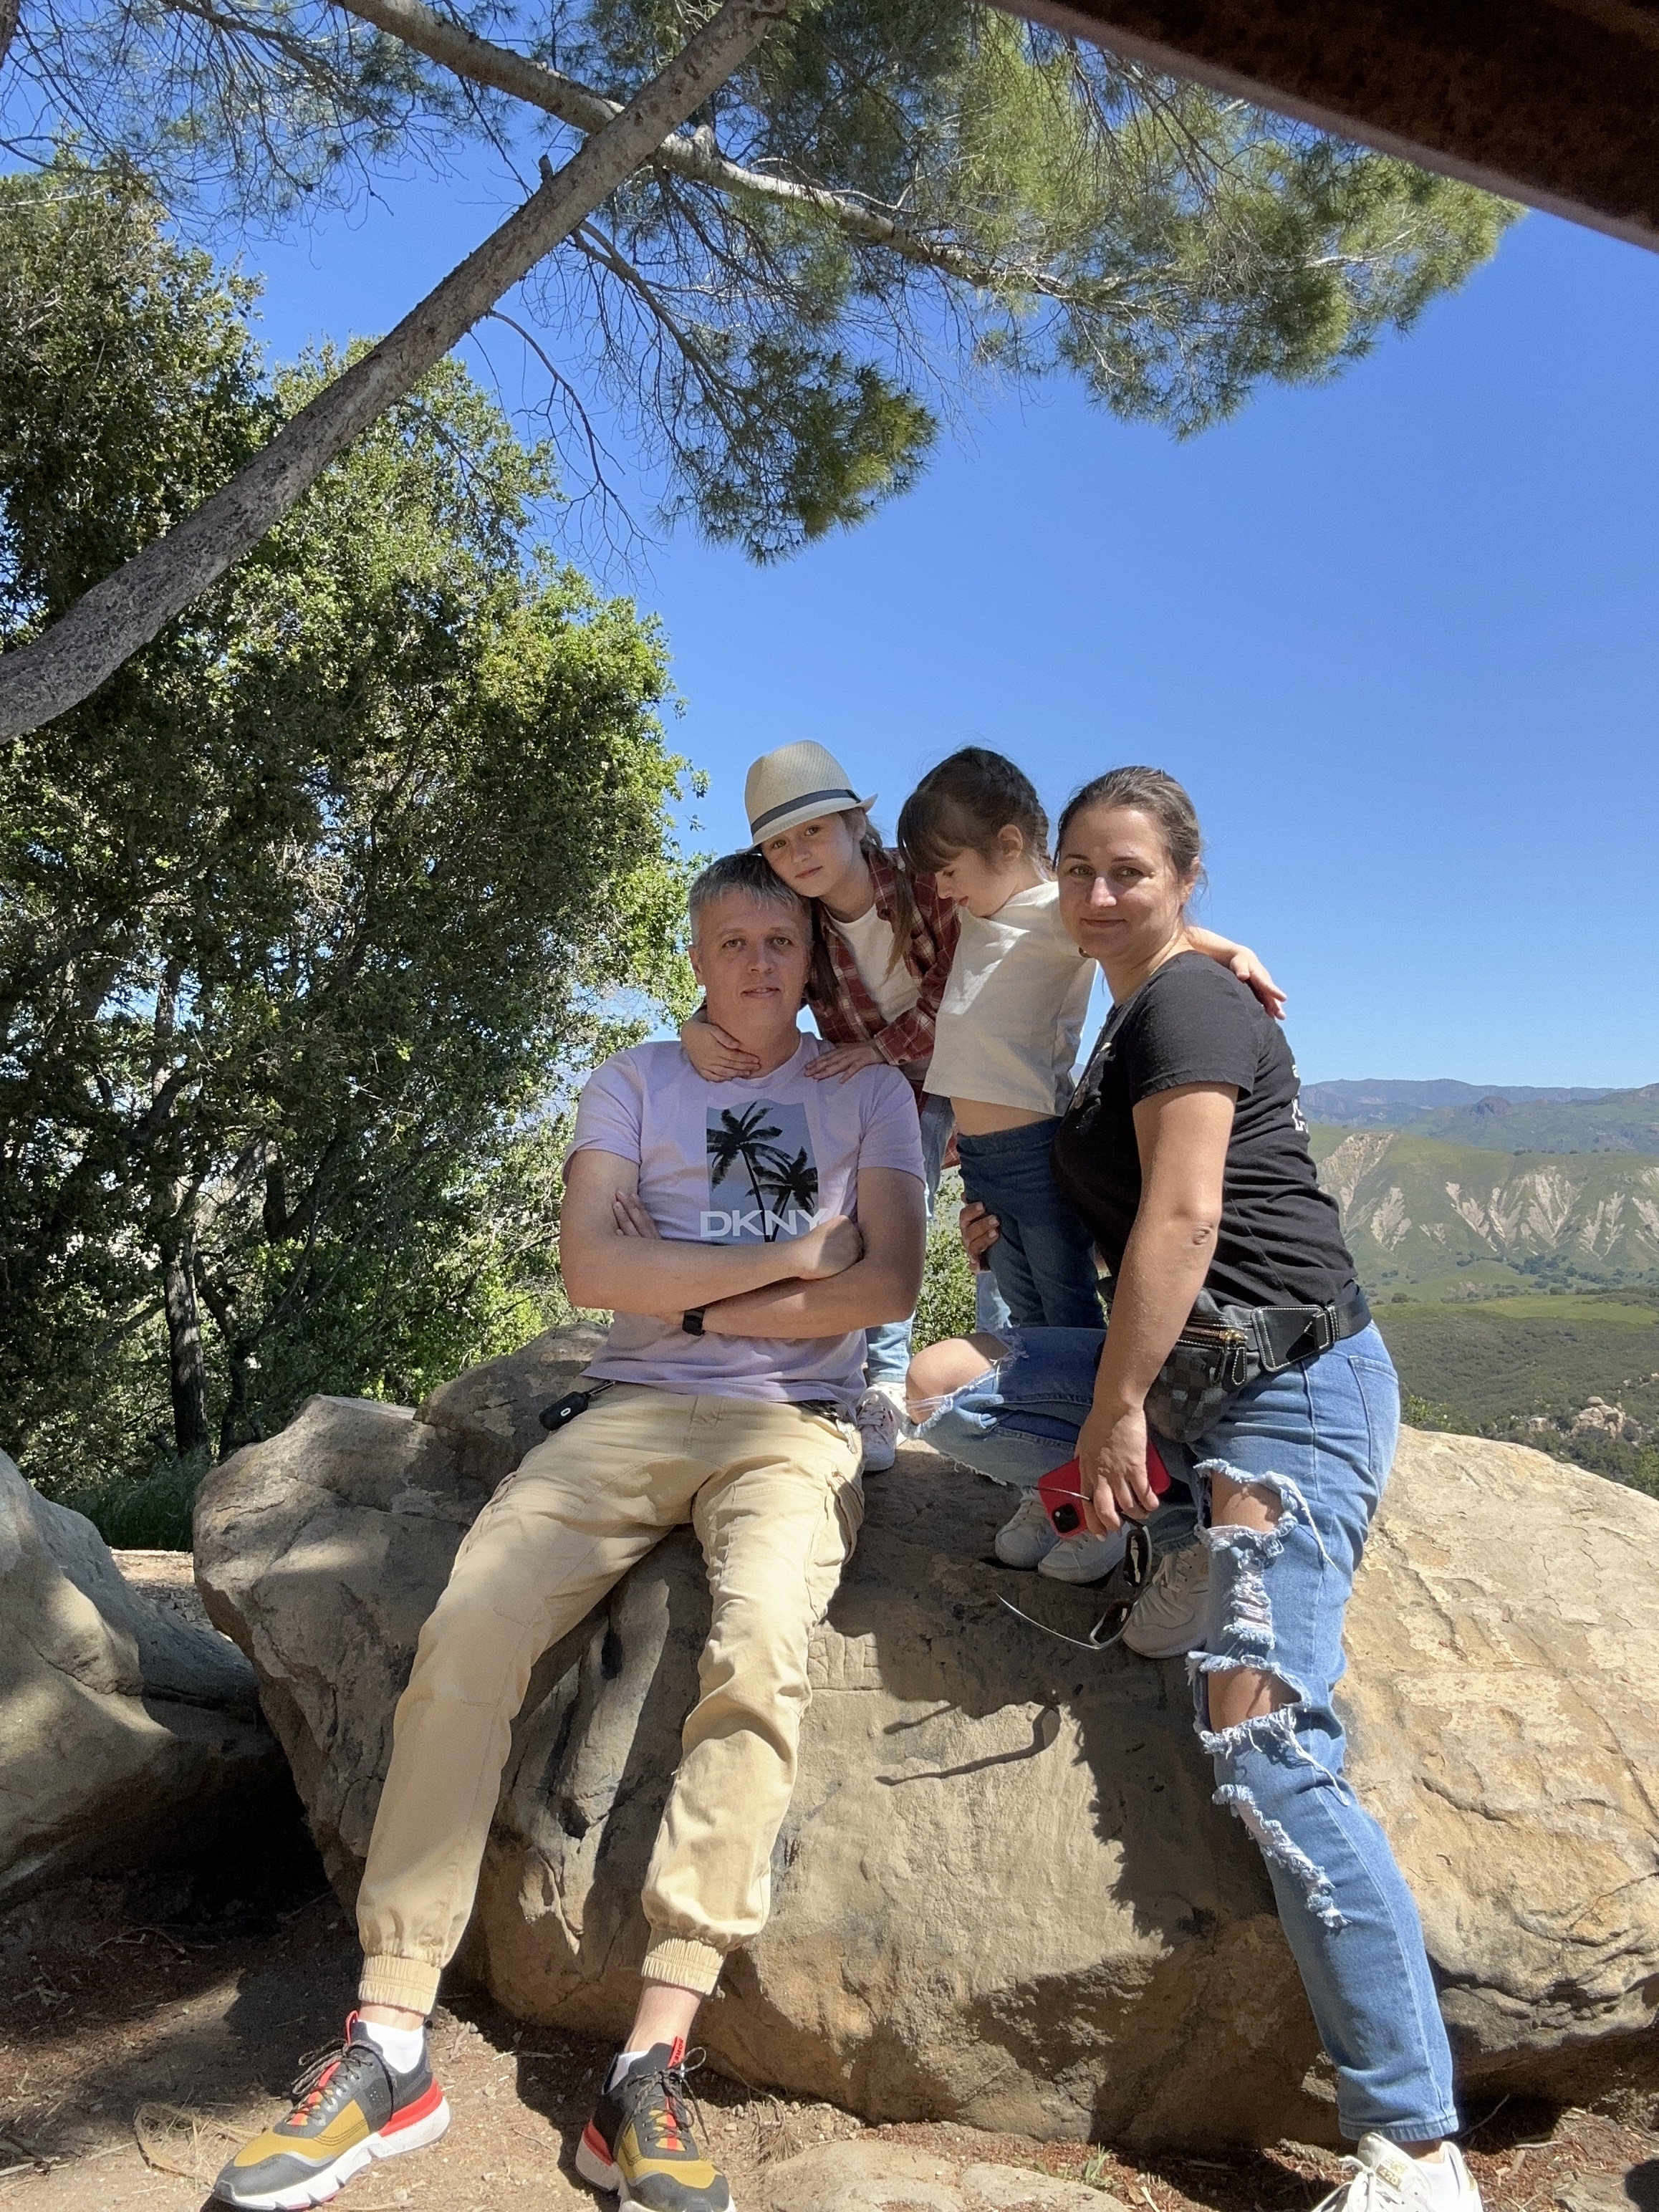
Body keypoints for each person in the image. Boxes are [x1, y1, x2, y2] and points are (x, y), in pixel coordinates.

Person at [213, 852, 926, 2212]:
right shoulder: (633, 1080)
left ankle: (649, 2064)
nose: (760, 962)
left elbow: (885, 1281)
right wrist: (786, 1263)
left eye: (782, 941)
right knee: (470, 1628)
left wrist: (686, 1284)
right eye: (733, 940)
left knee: (760, 1649)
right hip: (631, 1410)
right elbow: (594, 1269)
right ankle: (390, 2036)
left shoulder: (867, 1091)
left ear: (810, 959)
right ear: (697, 956)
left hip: (795, 1427)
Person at [905, 769, 1479, 2212]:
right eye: (1081, 871)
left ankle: (1416, 2150)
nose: (1099, 894)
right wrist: (1006, 1234)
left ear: (1186, 875)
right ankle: (1168, 1528)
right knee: (941, 1386)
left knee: (1262, 1739)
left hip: (1285, 1389)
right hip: (1188, 1381)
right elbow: (1119, 1199)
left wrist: (1113, 1414)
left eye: (1130, 872)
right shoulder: (1130, 1008)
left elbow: (1186, 1212)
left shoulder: (1187, 1008)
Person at [897, 746, 1284, 1585]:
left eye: (949, 869)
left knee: (1065, 1324)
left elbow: (1149, 931)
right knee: (1026, 1329)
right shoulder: (982, 915)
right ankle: (1049, 1486)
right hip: (987, 1162)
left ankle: (1103, 1506)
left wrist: (1226, 949)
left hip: (1036, 1154)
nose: (940, 888)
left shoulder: (1053, 908)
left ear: (1008, 846)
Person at [681, 741, 962, 1476]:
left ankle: (968, 1381)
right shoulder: (803, 925)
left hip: (972, 1071)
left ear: (855, 824)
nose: (799, 853)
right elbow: (755, 983)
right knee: (868, 1208)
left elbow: (965, 986)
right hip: (887, 1088)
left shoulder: (925, 883)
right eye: (779, 843)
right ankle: (868, 1374)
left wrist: (881, 1049)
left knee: (993, 1230)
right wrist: (695, 1024)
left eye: (813, 830)